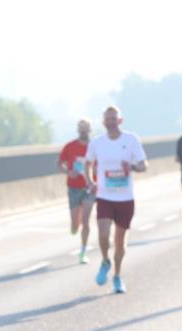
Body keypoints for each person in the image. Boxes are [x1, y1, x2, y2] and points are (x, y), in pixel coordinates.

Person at [84, 106, 148, 294]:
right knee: (103, 233)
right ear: (103, 122)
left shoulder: (131, 140)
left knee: (120, 243)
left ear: (120, 121)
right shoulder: (97, 143)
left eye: (114, 119)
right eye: (108, 119)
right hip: (105, 196)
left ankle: (118, 276)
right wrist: (90, 181)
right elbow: (87, 163)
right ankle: (105, 260)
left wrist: (133, 167)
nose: (111, 122)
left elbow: (144, 164)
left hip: (125, 198)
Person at [57, 118, 96, 263]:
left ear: (90, 130)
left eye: (86, 128)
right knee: (76, 223)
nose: (83, 130)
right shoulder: (70, 146)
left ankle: (83, 252)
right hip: (73, 187)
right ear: (78, 130)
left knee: (86, 221)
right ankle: (74, 226)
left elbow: (100, 164)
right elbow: (59, 163)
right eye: (81, 128)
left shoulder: (95, 146)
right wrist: (68, 171)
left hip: (88, 188)